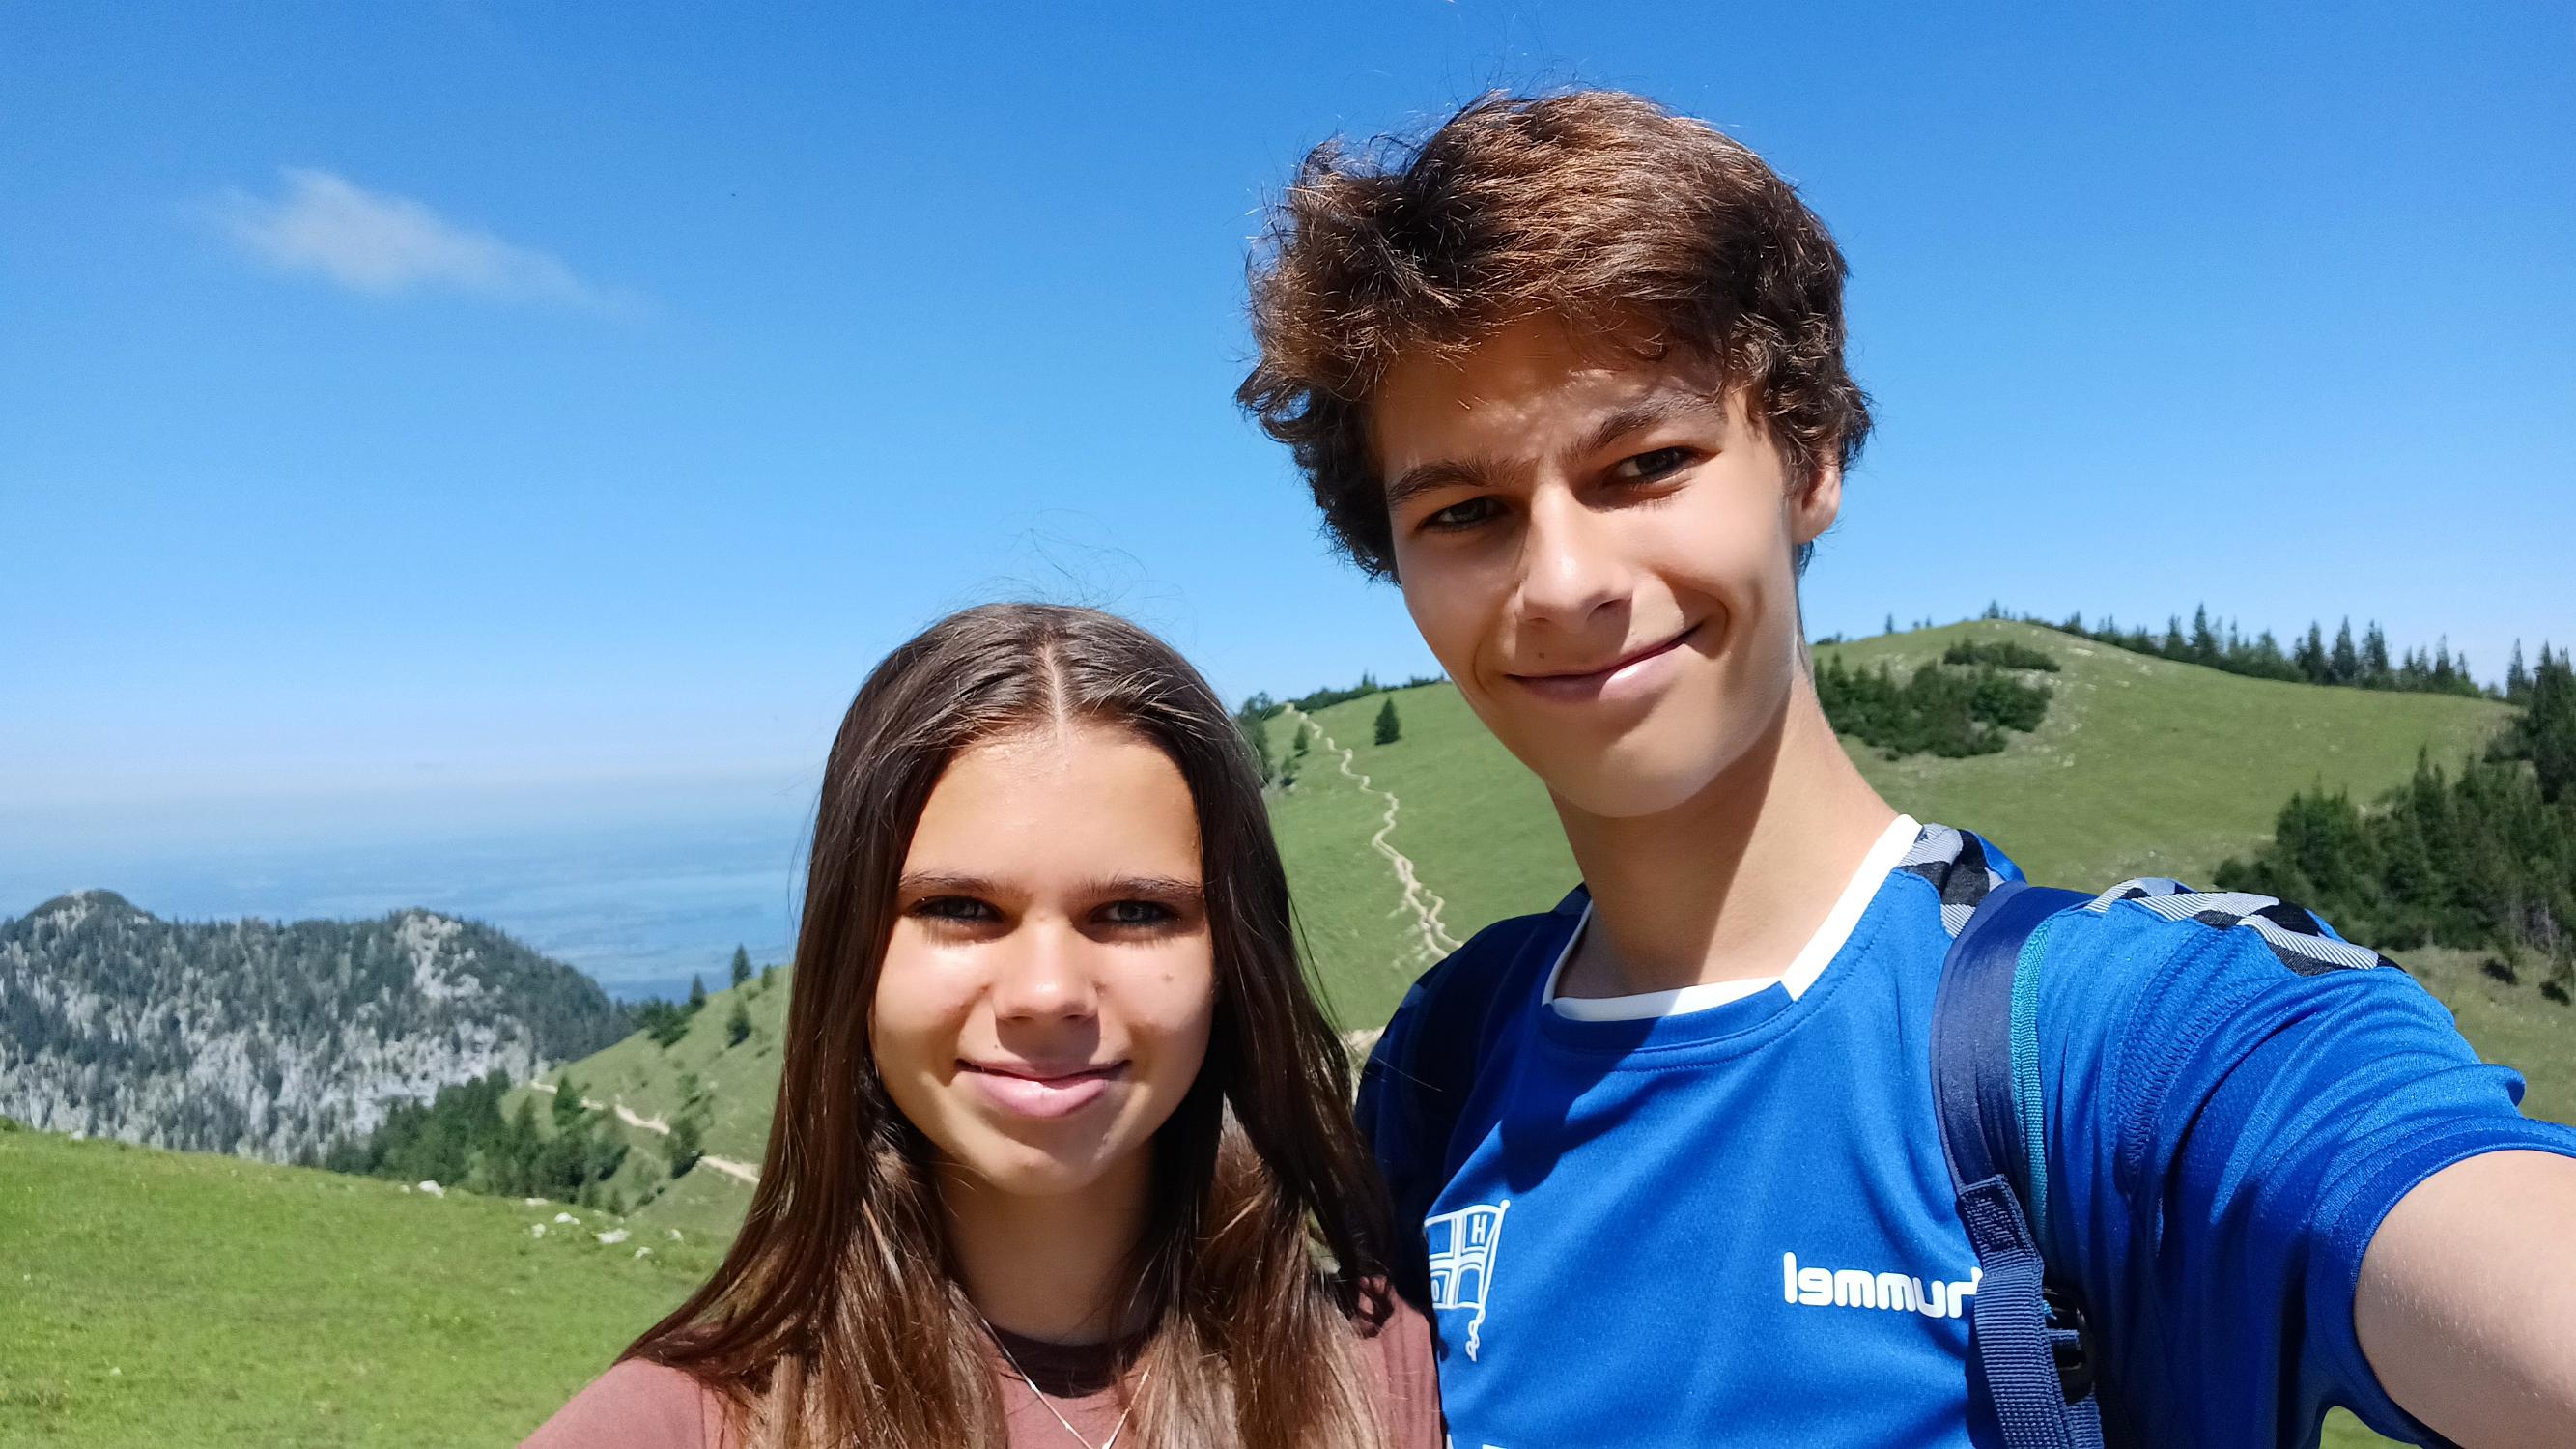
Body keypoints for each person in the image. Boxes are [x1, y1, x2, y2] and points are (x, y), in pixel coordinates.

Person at [1237, 90, 2576, 1447]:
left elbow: (2448, 1216)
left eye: (1644, 463)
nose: (1564, 579)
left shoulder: (2121, 1040)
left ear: (1808, 458)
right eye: (1464, 510)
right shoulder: (1444, 1056)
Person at [523, 604, 1442, 1449]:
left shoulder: (1393, 1374)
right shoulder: (681, 1424)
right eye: (960, 908)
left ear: (1232, 962)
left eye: (1134, 911)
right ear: (854, 957)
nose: (1045, 992)